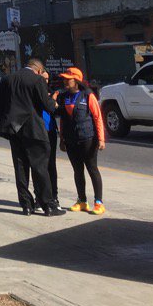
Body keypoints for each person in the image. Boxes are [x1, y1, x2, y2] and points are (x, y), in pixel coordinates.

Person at [0, 57, 64, 216]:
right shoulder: (37, 80)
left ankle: (26, 205)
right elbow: (46, 105)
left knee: (20, 168)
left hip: (14, 129)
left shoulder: (7, 79)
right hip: (34, 129)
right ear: (39, 70)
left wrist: (6, 125)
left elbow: (1, 105)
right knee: (40, 167)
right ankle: (47, 205)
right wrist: (54, 103)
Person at [56, 67, 106, 215]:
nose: (65, 81)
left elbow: (97, 118)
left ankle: (99, 202)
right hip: (71, 140)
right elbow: (63, 120)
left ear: (76, 80)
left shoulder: (88, 95)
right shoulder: (64, 97)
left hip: (88, 139)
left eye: (68, 79)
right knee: (78, 171)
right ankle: (82, 201)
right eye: (64, 78)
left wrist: (101, 139)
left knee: (92, 169)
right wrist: (62, 139)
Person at [41, 69, 60, 212]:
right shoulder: (34, 92)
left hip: (50, 131)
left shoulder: (51, 92)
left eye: (47, 79)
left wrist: (54, 100)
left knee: (51, 165)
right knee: (39, 166)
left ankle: (54, 196)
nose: (45, 81)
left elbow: (56, 110)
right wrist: (51, 100)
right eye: (43, 78)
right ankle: (40, 197)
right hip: (38, 133)